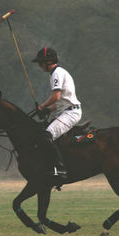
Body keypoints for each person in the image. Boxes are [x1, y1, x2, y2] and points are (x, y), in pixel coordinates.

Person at [33, 47, 82, 179]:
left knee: (46, 136)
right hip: (66, 111)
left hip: (71, 113)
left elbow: (55, 96)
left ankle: (60, 169)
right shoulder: (57, 73)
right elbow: (60, 101)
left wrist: (43, 106)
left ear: (47, 61)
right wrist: (48, 109)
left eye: (40, 62)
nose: (39, 65)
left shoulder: (57, 73)